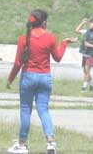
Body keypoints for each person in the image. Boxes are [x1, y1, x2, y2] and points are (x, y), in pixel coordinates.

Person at [6, 9, 77, 154]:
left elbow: (18, 63)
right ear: (44, 22)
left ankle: (22, 145)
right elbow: (57, 58)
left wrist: (10, 79)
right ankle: (51, 143)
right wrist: (64, 43)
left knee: (26, 110)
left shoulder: (23, 39)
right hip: (45, 77)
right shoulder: (50, 38)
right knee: (43, 109)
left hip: (28, 76)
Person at [75, 18, 93, 92]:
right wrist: (82, 23)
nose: (90, 24)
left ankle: (84, 88)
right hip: (85, 53)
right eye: (90, 23)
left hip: (91, 54)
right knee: (85, 71)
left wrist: (89, 45)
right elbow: (76, 31)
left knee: (87, 69)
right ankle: (92, 86)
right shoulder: (86, 31)